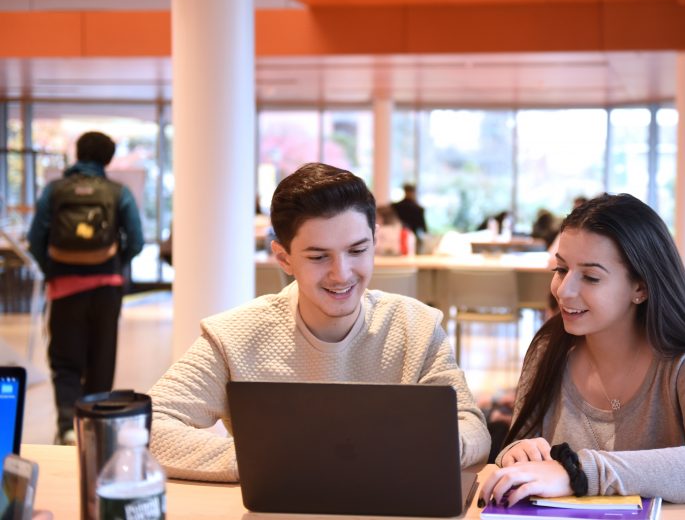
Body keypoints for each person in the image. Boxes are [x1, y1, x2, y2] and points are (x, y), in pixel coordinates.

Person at [147, 163, 490, 482]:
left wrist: (398, 454)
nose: (341, 274)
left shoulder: (414, 326)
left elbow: (471, 428)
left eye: (357, 250)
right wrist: (267, 461)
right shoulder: (234, 336)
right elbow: (147, 426)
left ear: (374, 239)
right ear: (284, 257)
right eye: (318, 256)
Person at [480, 193, 685, 506]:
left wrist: (577, 472)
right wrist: (514, 456)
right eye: (561, 270)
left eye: (591, 277)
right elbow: (516, 448)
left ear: (641, 287)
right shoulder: (548, 350)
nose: (563, 291)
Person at [27, 131, 144, 445]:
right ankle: (94, 425)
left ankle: (67, 426)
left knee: (65, 358)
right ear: (107, 158)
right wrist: (115, 264)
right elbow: (137, 240)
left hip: (65, 288)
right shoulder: (118, 192)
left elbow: (36, 238)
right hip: (107, 288)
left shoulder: (54, 191)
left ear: (78, 154)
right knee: (101, 356)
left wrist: (53, 269)